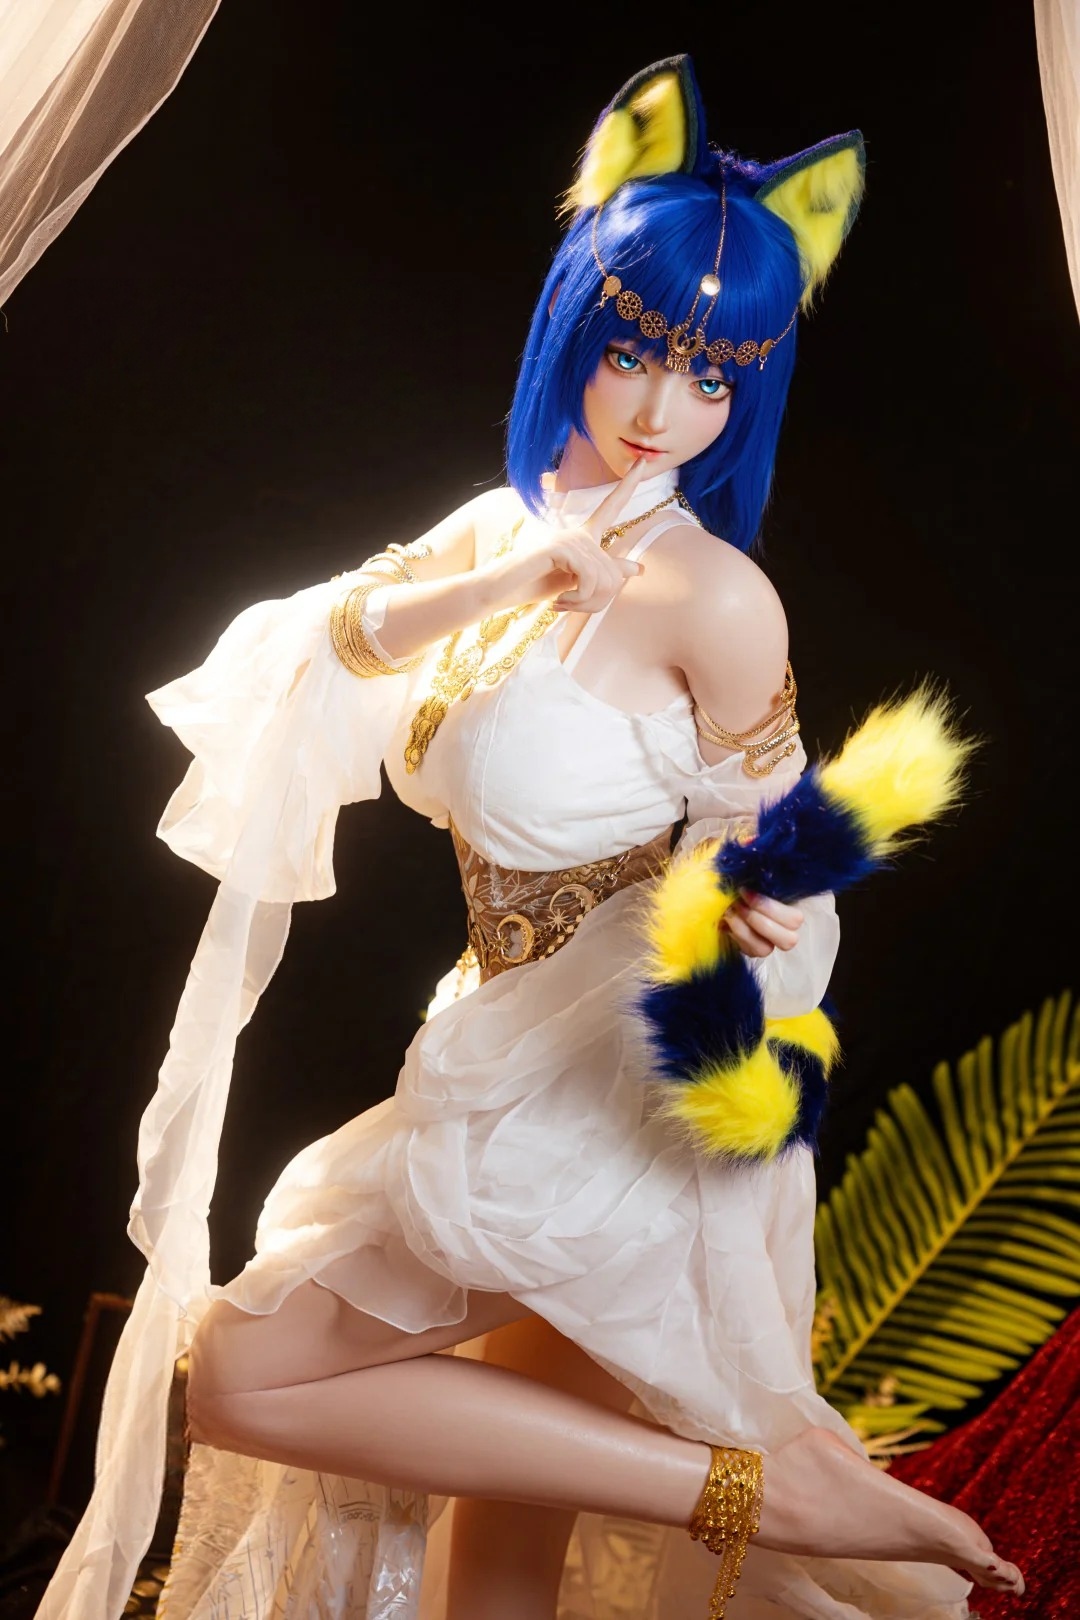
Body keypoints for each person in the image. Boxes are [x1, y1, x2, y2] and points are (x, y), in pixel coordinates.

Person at [37, 54, 1025, 1620]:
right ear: (575, 324)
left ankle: (763, 1491)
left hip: (608, 1072)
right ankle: (769, 1491)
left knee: (240, 1372)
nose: (662, 411)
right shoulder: (502, 528)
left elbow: (774, 837)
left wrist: (750, 900)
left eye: (713, 377)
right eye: (635, 353)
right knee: (498, 1557)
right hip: (501, 1038)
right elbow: (329, 642)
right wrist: (518, 577)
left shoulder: (718, 596)